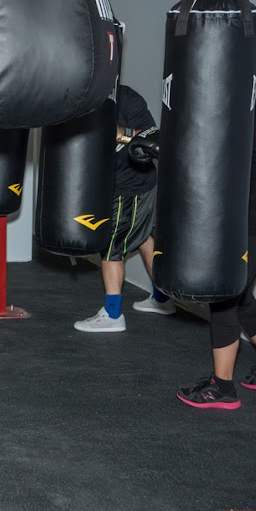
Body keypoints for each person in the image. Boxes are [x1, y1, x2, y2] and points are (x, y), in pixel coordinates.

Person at [176, 85, 256, 409]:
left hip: (253, 227)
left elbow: (213, 158)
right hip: (249, 225)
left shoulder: (246, 120)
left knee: (224, 300)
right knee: (242, 300)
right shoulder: (245, 119)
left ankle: (223, 387)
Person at [74, 84, 173, 333]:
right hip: (112, 183)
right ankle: (162, 300)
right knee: (144, 239)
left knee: (111, 244)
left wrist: (115, 132)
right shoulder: (81, 96)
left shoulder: (127, 98)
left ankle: (113, 313)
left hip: (132, 183)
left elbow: (152, 137)